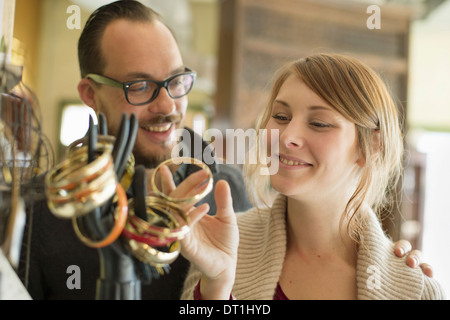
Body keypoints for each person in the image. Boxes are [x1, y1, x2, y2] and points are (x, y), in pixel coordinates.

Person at [20, 1, 429, 300]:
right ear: (90, 94)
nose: (167, 106)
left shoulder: (225, 193)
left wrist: (400, 273)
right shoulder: (35, 215)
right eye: (139, 86)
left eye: (176, 81)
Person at [180, 53, 445, 300]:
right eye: (281, 116)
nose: (287, 136)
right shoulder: (223, 244)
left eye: (319, 123)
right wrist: (216, 288)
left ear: (372, 147)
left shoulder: (415, 290)